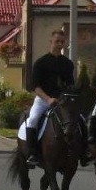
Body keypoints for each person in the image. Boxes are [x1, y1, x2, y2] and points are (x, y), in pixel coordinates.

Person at [17, 29, 76, 167]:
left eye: (62, 42)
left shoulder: (68, 64)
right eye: (57, 41)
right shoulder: (40, 63)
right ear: (51, 42)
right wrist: (48, 99)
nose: (59, 44)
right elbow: (35, 86)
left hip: (62, 101)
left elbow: (70, 85)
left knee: (79, 120)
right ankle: (32, 153)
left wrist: (67, 97)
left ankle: (84, 152)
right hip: (43, 100)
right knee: (32, 120)